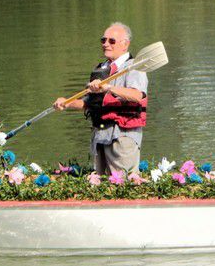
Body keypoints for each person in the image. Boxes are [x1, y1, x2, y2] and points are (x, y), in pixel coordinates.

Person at [53, 22, 148, 175]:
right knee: (100, 186)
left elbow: (137, 95)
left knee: (121, 185)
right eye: (103, 40)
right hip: (100, 136)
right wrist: (67, 103)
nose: (106, 44)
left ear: (125, 44)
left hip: (122, 137)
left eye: (112, 41)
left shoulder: (134, 67)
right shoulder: (101, 69)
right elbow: (88, 103)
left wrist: (108, 87)